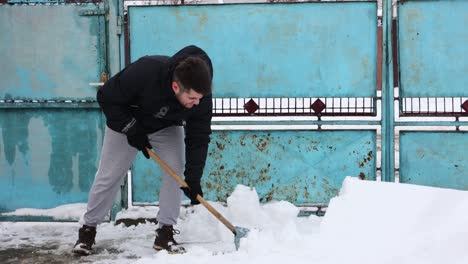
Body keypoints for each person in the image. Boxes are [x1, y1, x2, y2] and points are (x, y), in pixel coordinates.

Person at [72, 45, 213, 255]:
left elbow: (199, 137)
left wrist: (193, 177)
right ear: (176, 87)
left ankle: (165, 233)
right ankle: (87, 230)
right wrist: (130, 128)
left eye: (200, 98)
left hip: (165, 126)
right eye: (192, 99)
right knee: (110, 175)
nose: (197, 103)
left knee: (176, 171)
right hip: (127, 122)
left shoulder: (200, 96)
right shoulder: (146, 70)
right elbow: (106, 97)